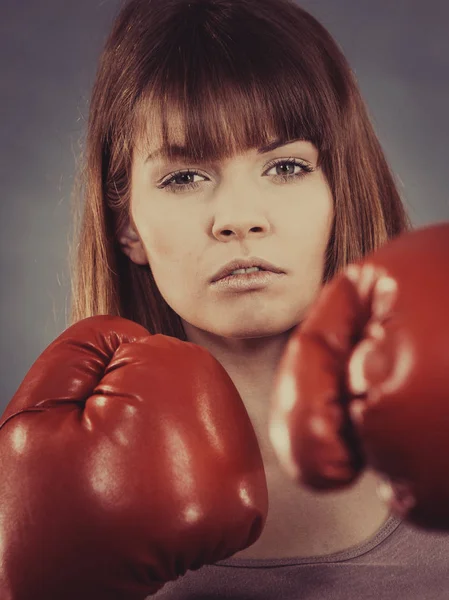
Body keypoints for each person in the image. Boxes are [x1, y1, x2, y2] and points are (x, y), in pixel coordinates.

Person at [1, 0, 448, 598]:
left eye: (286, 166)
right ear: (127, 225)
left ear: (339, 192)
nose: (239, 219)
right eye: (184, 177)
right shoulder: (48, 487)